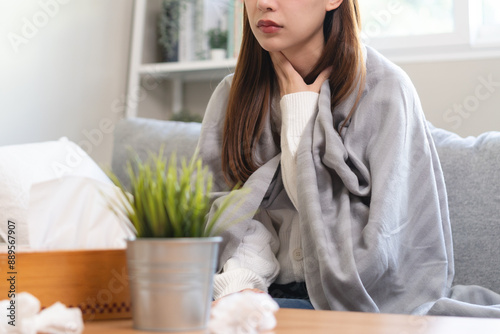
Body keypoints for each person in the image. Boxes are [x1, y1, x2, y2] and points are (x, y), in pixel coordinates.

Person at [198, 0, 500, 316]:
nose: (263, 4)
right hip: (262, 291)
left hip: (355, 297)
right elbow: (229, 214)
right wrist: (238, 289)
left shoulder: (384, 91)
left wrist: (300, 111)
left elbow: (379, 248)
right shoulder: (232, 95)